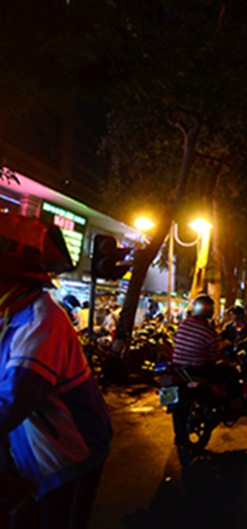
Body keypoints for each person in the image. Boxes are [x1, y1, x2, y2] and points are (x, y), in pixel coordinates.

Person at [0, 212, 111, 529]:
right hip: (27, 455)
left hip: (68, 456)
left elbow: (12, 401)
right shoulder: (9, 314)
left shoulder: (41, 319)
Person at [172, 295, 242, 405]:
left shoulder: (183, 325)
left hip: (179, 365)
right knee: (230, 372)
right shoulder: (209, 332)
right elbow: (215, 357)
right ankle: (229, 401)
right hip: (198, 368)